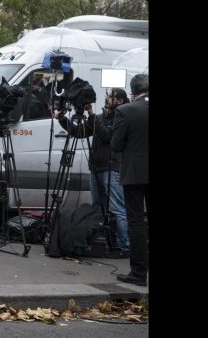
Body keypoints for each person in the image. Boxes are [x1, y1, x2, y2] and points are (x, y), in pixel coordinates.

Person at [57, 88, 131, 254]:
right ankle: (104, 240)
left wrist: (91, 115)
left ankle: (124, 246)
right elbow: (79, 132)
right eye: (107, 95)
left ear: (120, 101)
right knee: (98, 207)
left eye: (111, 97)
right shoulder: (100, 117)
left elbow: (107, 136)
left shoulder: (121, 118)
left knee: (117, 208)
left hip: (112, 167)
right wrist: (62, 119)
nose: (107, 98)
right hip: (96, 168)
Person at [112, 74, 149, 286]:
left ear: (133, 91)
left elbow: (116, 145)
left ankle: (138, 273)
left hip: (134, 173)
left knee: (136, 221)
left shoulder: (125, 110)